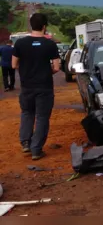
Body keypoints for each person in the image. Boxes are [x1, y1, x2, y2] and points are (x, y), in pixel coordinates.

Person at [11, 13, 61, 160]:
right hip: (44, 87)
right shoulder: (50, 44)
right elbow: (57, 67)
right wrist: (45, 72)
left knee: (27, 113)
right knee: (42, 117)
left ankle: (26, 142)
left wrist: (27, 71)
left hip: (27, 87)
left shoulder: (20, 43)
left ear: (31, 25)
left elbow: (14, 64)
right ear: (44, 26)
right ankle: (36, 149)